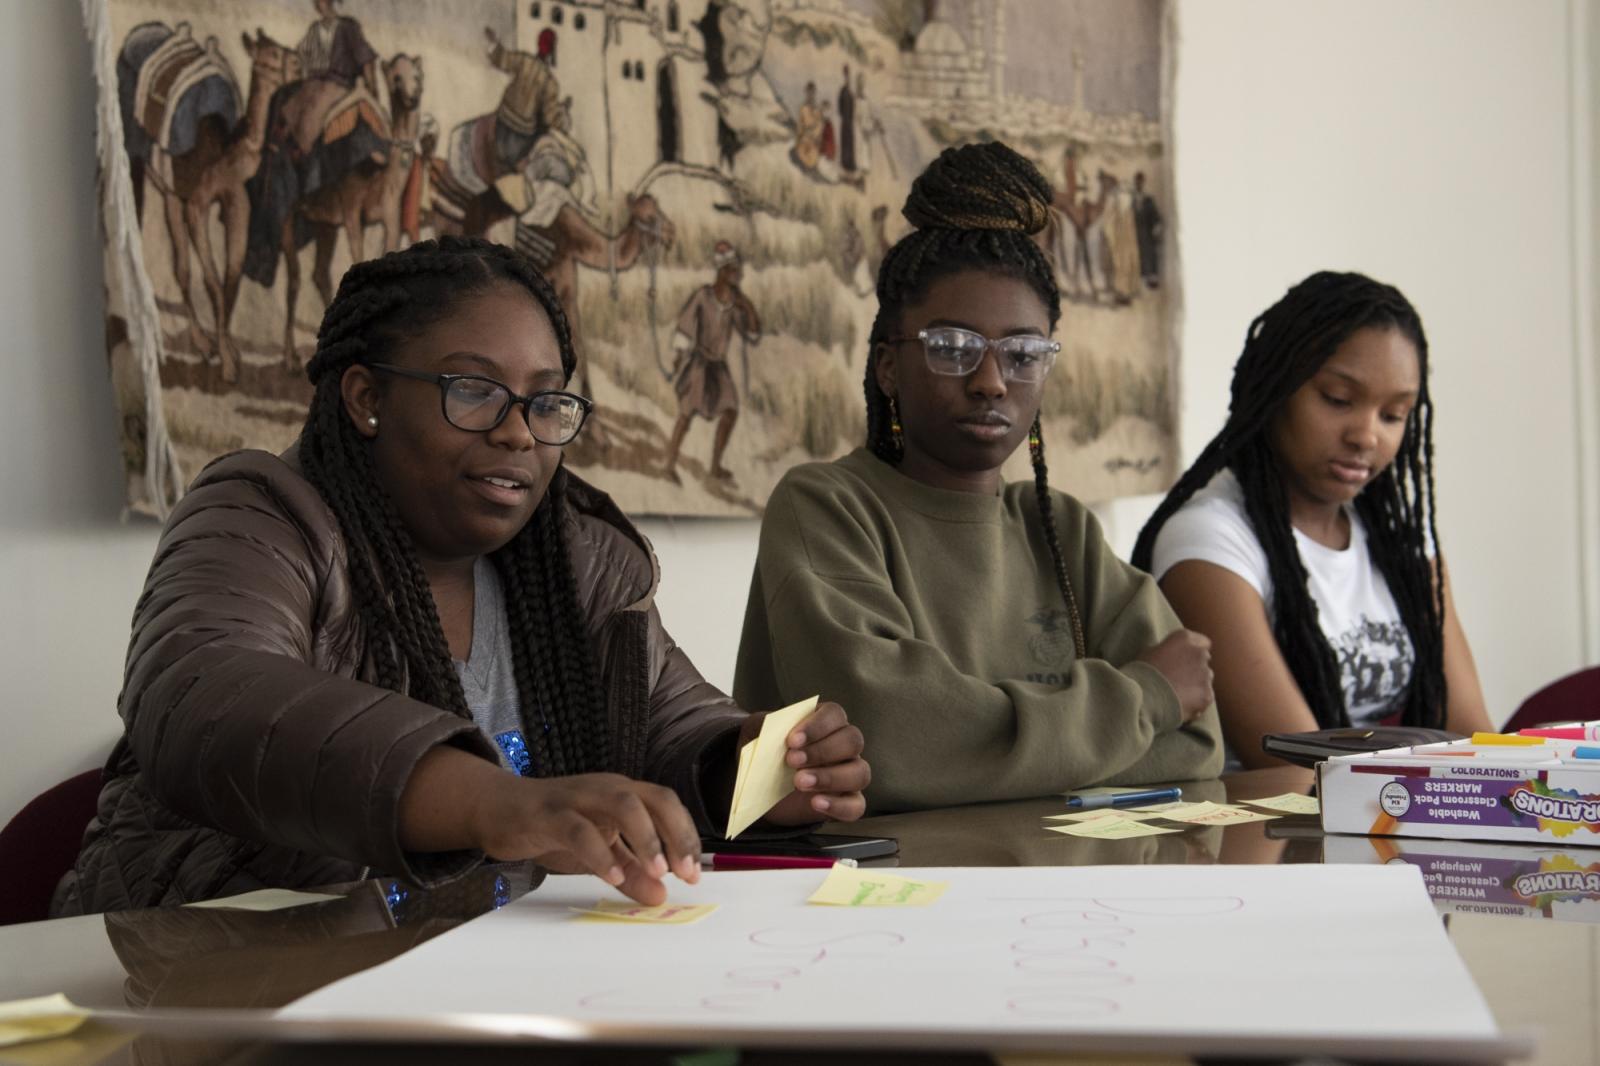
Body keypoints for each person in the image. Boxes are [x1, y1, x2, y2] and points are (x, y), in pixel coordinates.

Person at [54, 237, 868, 916]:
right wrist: (495, 802)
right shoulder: (265, 513)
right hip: (217, 986)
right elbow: (203, 696)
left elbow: (676, 734)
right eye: (474, 391)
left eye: (546, 402)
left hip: (498, 993)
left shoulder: (578, 566)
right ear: (367, 397)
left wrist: (766, 773)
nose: (520, 433)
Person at [733, 143, 1223, 813]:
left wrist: (980, 746)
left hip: (1064, 900)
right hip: (868, 896)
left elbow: (1198, 747)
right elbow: (889, 744)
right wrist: (1143, 698)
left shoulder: (1065, 531)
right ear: (886, 366)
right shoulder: (827, 508)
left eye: (1023, 354)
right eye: (952, 349)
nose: (991, 380)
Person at [1132, 271, 1491, 767]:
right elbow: (1302, 767)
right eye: (1338, 400)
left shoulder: (1399, 535)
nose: (1366, 435)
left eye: (1393, 415)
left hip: (1389, 817)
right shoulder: (1210, 540)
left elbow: (1474, 734)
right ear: (1276, 387)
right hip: (1269, 835)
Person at [664, 241, 761, 484]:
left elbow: (751, 332)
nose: (738, 274)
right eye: (732, 270)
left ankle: (715, 466)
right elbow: (685, 326)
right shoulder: (703, 296)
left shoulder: (735, 302)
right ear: (722, 271)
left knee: (730, 411)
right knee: (686, 414)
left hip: (719, 367)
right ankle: (669, 464)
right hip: (699, 364)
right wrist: (678, 357)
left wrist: (748, 308)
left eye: (737, 269)